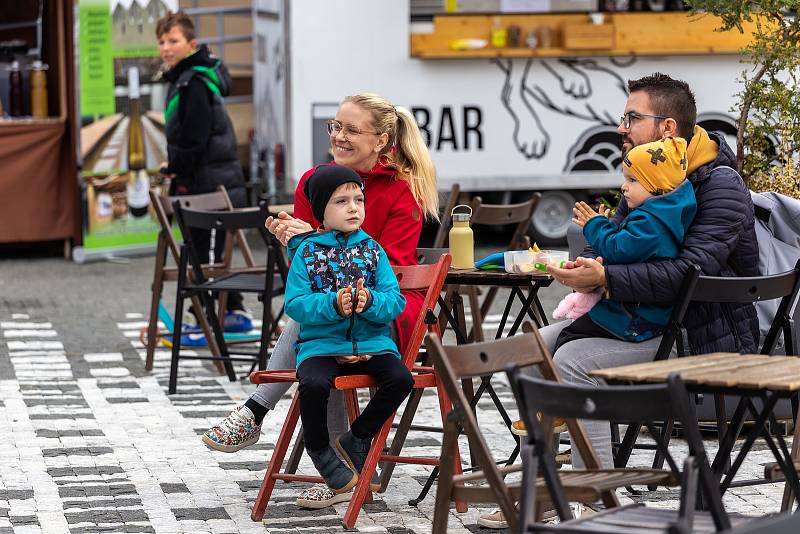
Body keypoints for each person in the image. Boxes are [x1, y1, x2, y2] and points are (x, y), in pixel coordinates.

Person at [480, 73, 760, 529]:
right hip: (643, 320)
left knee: (570, 359)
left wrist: (606, 278)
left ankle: (596, 493)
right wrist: (587, 269)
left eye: (631, 117)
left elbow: (686, 276)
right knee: (530, 351)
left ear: (667, 128)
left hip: (697, 331)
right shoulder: (652, 170)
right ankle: (556, 487)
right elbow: (624, 241)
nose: (621, 126)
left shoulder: (719, 186)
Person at [202, 93, 438, 508]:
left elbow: (389, 270)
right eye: (335, 126)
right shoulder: (315, 181)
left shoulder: (403, 193)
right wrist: (294, 241)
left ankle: (257, 411)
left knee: (312, 329)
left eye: (351, 129)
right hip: (333, 308)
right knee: (316, 326)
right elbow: (309, 270)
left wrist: (310, 242)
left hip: (388, 306)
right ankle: (339, 467)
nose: (339, 136)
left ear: (382, 140)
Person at [286, 164, 413, 496]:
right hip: (322, 344)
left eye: (358, 199)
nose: (354, 207)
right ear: (321, 211)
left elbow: (394, 301)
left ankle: (356, 437)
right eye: (341, 201)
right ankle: (319, 450)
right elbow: (295, 304)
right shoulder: (307, 252)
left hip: (371, 342)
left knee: (401, 379)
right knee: (312, 384)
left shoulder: (372, 250)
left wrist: (370, 301)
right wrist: (333, 304)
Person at [553, 136, 696, 350]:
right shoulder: (660, 216)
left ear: (657, 186)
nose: (624, 187)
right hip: (640, 311)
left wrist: (595, 225)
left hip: (634, 317)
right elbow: (626, 246)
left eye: (633, 180)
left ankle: (562, 382)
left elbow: (617, 249)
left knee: (568, 336)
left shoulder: (650, 222)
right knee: (571, 334)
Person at [156, 12, 250, 334]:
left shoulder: (194, 82)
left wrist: (174, 166)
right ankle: (227, 310)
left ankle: (212, 315)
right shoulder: (186, 79)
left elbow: (195, 138)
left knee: (201, 252)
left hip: (207, 182)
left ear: (191, 44)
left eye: (173, 41)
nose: (166, 48)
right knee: (209, 251)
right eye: (162, 42)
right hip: (209, 180)